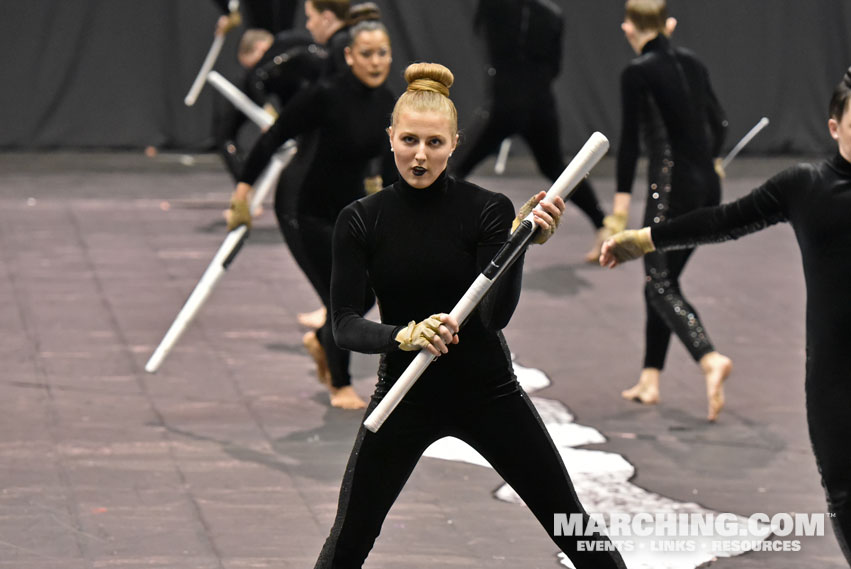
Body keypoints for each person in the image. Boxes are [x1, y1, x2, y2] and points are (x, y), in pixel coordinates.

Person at [312, 62, 627, 569]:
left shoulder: (488, 209)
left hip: (489, 395)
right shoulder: (360, 220)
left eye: (434, 143)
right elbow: (344, 325)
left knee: (575, 528)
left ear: (455, 143)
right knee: (347, 544)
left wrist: (518, 246)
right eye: (409, 139)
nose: (420, 155)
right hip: (405, 394)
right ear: (390, 136)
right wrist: (406, 335)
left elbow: (493, 318)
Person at [600, 64, 851, 566]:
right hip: (835, 378)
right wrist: (645, 239)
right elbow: (724, 221)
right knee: (845, 497)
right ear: (834, 126)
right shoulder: (807, 185)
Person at [227, 19, 396, 410]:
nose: (375, 62)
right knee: (342, 298)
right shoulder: (324, 95)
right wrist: (242, 192)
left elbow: (388, 166)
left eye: (382, 53)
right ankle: (340, 384)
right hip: (303, 209)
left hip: (349, 208)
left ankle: (321, 340)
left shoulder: (388, 102)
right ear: (349, 56)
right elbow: (274, 137)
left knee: (369, 290)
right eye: (366, 54)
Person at [608, 0, 731, 421]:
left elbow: (628, 143)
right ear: (670, 25)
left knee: (659, 282)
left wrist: (620, 209)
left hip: (672, 189)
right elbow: (721, 124)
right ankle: (650, 378)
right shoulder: (693, 63)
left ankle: (708, 356)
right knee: (663, 279)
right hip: (708, 186)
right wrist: (711, 159)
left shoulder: (636, 72)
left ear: (629, 28)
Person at [449, 0, 611, 263]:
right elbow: (554, 66)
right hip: (539, 104)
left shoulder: (495, 7)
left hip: (504, 104)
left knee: (457, 164)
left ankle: (427, 223)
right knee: (555, 167)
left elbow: (483, 38)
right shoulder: (552, 15)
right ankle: (602, 224)